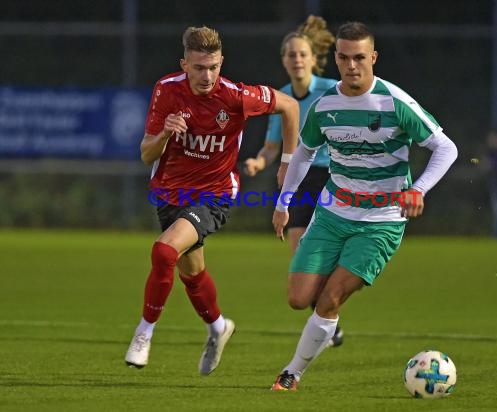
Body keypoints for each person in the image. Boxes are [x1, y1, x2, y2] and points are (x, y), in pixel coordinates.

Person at [269, 21, 458, 391]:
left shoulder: (394, 101)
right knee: (298, 298)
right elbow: (304, 153)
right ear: (336, 58)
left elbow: (446, 148)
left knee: (328, 299)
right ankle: (325, 322)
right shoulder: (325, 106)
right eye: (344, 57)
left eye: (360, 57)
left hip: (380, 222)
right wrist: (283, 203)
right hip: (331, 214)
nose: (352, 65)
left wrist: (417, 189)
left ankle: (291, 373)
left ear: (373, 57)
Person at [125, 26, 299, 375]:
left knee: (163, 251)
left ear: (221, 63)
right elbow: (147, 154)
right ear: (184, 65)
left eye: (214, 67)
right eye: (200, 67)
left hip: (215, 194)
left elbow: (290, 106)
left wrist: (286, 164)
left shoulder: (236, 96)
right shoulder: (167, 91)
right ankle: (218, 327)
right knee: (192, 273)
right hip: (171, 193)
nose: (208, 76)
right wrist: (164, 133)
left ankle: (144, 333)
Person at [243, 15, 344, 348]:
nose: (297, 59)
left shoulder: (332, 91)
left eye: (303, 53)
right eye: (291, 55)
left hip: (331, 176)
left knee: (330, 252)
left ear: (313, 58)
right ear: (284, 60)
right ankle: (326, 318)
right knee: (301, 252)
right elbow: (273, 145)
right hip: (296, 180)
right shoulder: (282, 98)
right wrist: (260, 160)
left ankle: (327, 314)